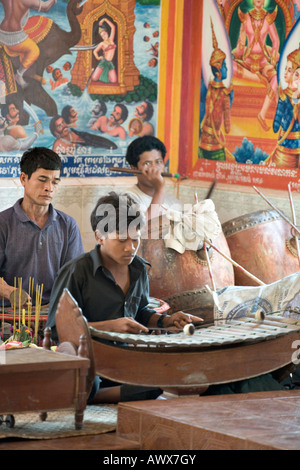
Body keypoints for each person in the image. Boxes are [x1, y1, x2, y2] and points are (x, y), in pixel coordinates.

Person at [46, 192, 200, 403]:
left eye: (135, 239)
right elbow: (55, 329)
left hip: (128, 360)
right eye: (121, 240)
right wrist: (108, 327)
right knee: (84, 379)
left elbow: (141, 313)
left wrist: (167, 320)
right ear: (99, 236)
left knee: (174, 374)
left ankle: (99, 397)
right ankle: (94, 396)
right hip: (92, 362)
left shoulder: (138, 269)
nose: (130, 247)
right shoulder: (76, 272)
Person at [0, 147, 84, 306]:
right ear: (23, 179)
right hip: (8, 316)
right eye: (42, 179)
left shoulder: (68, 225)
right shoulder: (3, 223)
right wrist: (11, 293)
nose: (49, 188)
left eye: (55, 182)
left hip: (52, 316)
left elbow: (75, 279)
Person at [232, 0, 280, 131]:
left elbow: (276, 41)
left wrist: (274, 55)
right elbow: (240, 51)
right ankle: (258, 79)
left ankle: (262, 114)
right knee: (230, 65)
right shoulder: (245, 18)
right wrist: (241, 43)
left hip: (263, 63)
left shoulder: (268, 19)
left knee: (276, 78)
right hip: (247, 62)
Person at [0, 0, 58, 88]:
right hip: (14, 36)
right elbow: (45, 7)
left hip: (1, 32)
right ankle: (19, 74)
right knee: (34, 50)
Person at [124, 135, 181, 219]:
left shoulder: (171, 199)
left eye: (158, 162)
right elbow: (144, 230)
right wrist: (159, 189)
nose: (155, 168)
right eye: (147, 163)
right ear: (134, 169)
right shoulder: (128, 199)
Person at [91, 17, 117, 84]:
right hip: (104, 62)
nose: (104, 36)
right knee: (94, 78)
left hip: (110, 63)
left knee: (114, 80)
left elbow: (113, 27)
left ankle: (104, 73)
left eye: (104, 34)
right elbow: (94, 51)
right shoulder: (102, 43)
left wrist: (105, 19)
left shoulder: (111, 39)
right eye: (102, 36)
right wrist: (98, 57)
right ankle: (94, 71)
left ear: (107, 33)